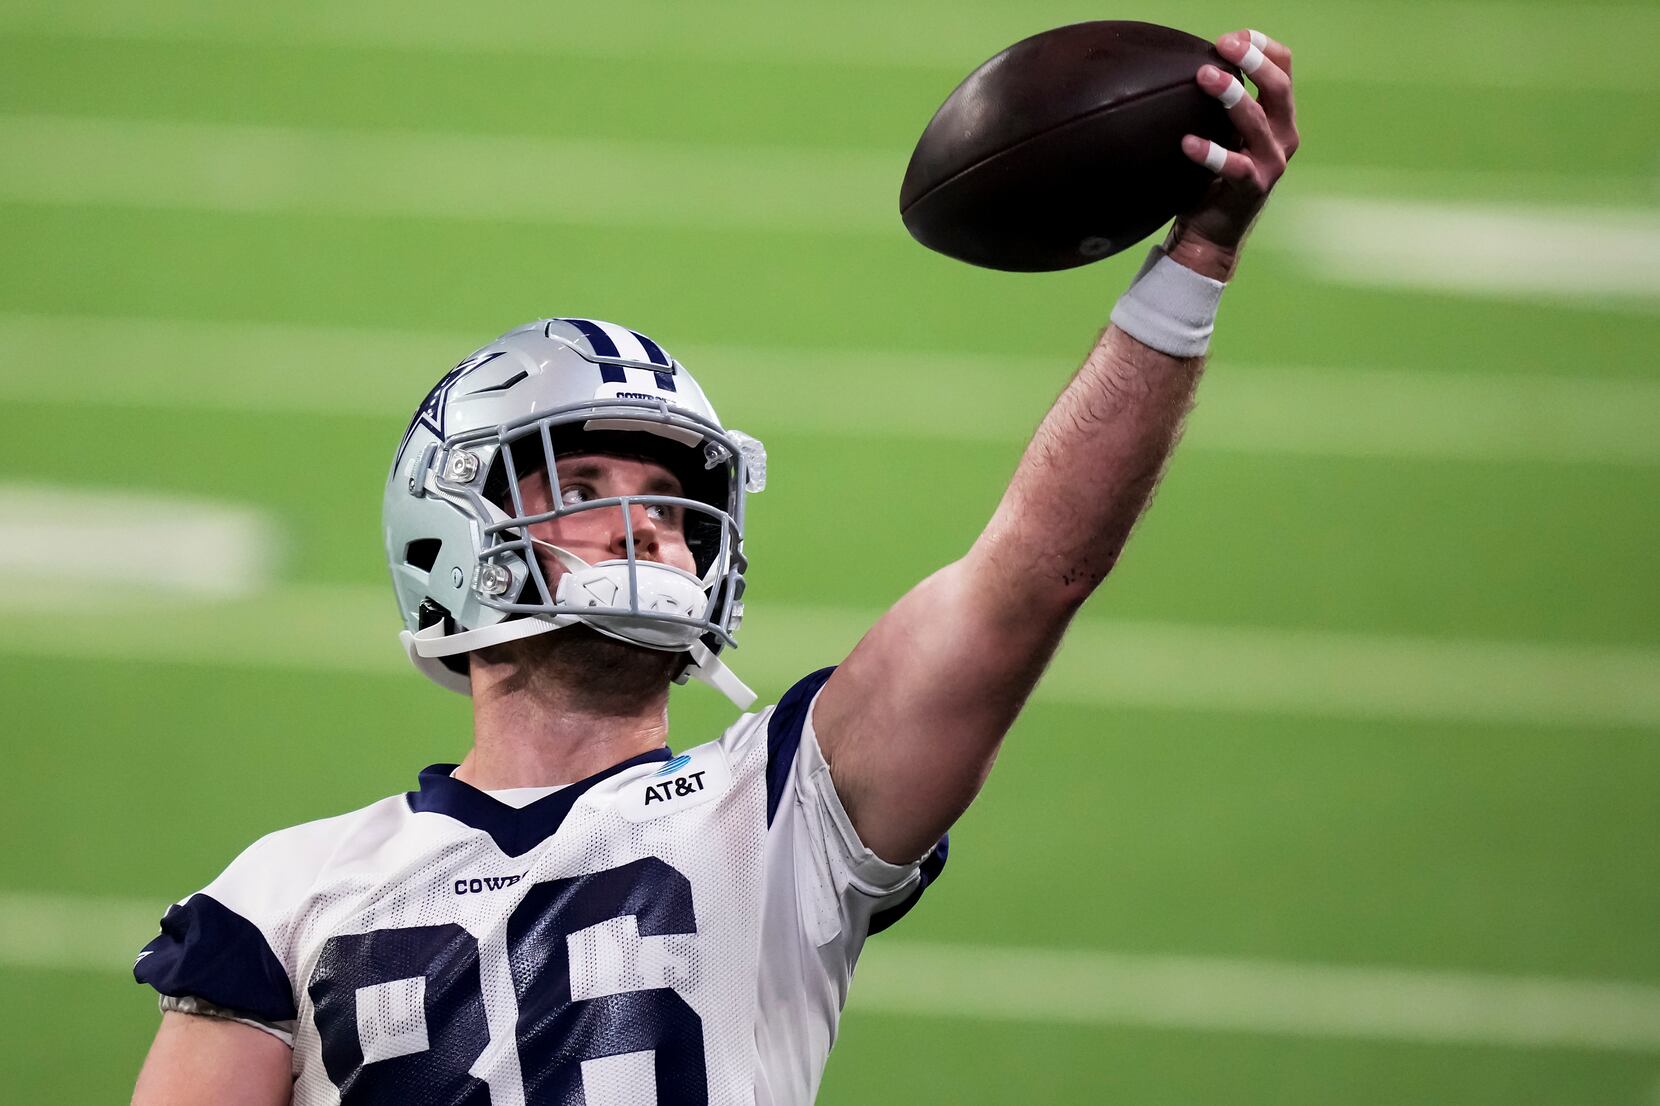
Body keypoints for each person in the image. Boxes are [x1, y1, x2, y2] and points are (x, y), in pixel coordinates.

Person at [131, 28, 1298, 1105]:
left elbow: (1033, 567)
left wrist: (1192, 265)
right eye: (583, 491)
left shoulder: (789, 807)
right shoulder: (287, 892)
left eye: (676, 508)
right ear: (449, 540)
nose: (647, 530)